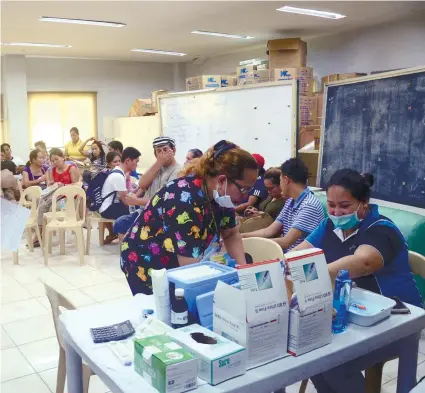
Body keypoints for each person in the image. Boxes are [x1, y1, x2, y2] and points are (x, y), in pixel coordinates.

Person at [294, 169, 422, 393]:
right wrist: (284, 266)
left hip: (397, 320)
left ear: (363, 204)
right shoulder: (329, 226)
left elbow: (363, 263)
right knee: (310, 355)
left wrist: (318, 273)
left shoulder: (382, 230)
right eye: (331, 205)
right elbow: (299, 254)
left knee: (332, 365)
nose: (335, 212)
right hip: (355, 312)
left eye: (344, 206)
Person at [120, 140, 258, 295]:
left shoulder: (220, 196)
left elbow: (231, 234)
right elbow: (190, 269)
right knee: (168, 308)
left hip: (182, 258)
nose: (246, 197)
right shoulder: (184, 199)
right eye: (244, 189)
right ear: (222, 180)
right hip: (146, 260)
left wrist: (244, 275)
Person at [242, 158, 325, 252]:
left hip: (300, 261)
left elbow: (286, 242)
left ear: (286, 180)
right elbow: (269, 231)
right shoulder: (291, 201)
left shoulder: (309, 205)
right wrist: (243, 236)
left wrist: (252, 243)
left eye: (280, 180)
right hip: (288, 256)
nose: (280, 184)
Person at [113, 137, 182, 236]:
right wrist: (159, 163)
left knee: (124, 224)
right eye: (159, 151)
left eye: (165, 150)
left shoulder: (178, 171)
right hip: (145, 211)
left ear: (173, 150)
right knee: (120, 223)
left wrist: (136, 201)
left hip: (161, 215)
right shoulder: (157, 167)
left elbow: (164, 199)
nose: (162, 154)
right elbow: (142, 184)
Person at [36, 148, 80, 246]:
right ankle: (39, 234)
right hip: (56, 195)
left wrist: (64, 186)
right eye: (52, 161)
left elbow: (77, 185)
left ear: (63, 158)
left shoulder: (71, 168)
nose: (54, 162)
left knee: (53, 208)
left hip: (69, 197)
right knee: (41, 207)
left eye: (56, 159)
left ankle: (49, 233)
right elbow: (52, 187)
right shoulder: (52, 170)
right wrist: (51, 184)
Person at [99, 147, 141, 220]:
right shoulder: (118, 176)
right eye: (136, 162)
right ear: (128, 160)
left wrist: (138, 189)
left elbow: (126, 195)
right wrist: (141, 191)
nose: (137, 165)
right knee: (140, 211)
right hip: (107, 209)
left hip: (112, 205)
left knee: (139, 207)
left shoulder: (119, 172)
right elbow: (126, 201)